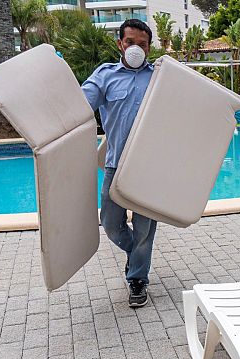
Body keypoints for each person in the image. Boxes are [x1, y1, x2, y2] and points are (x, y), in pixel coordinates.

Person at [81, 19, 157, 308]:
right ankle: (136, 255)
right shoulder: (105, 76)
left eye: (143, 44)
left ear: (149, 47)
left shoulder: (161, 76)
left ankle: (138, 279)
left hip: (149, 167)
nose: (136, 48)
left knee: (145, 228)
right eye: (130, 42)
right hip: (115, 165)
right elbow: (79, 105)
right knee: (110, 223)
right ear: (120, 44)